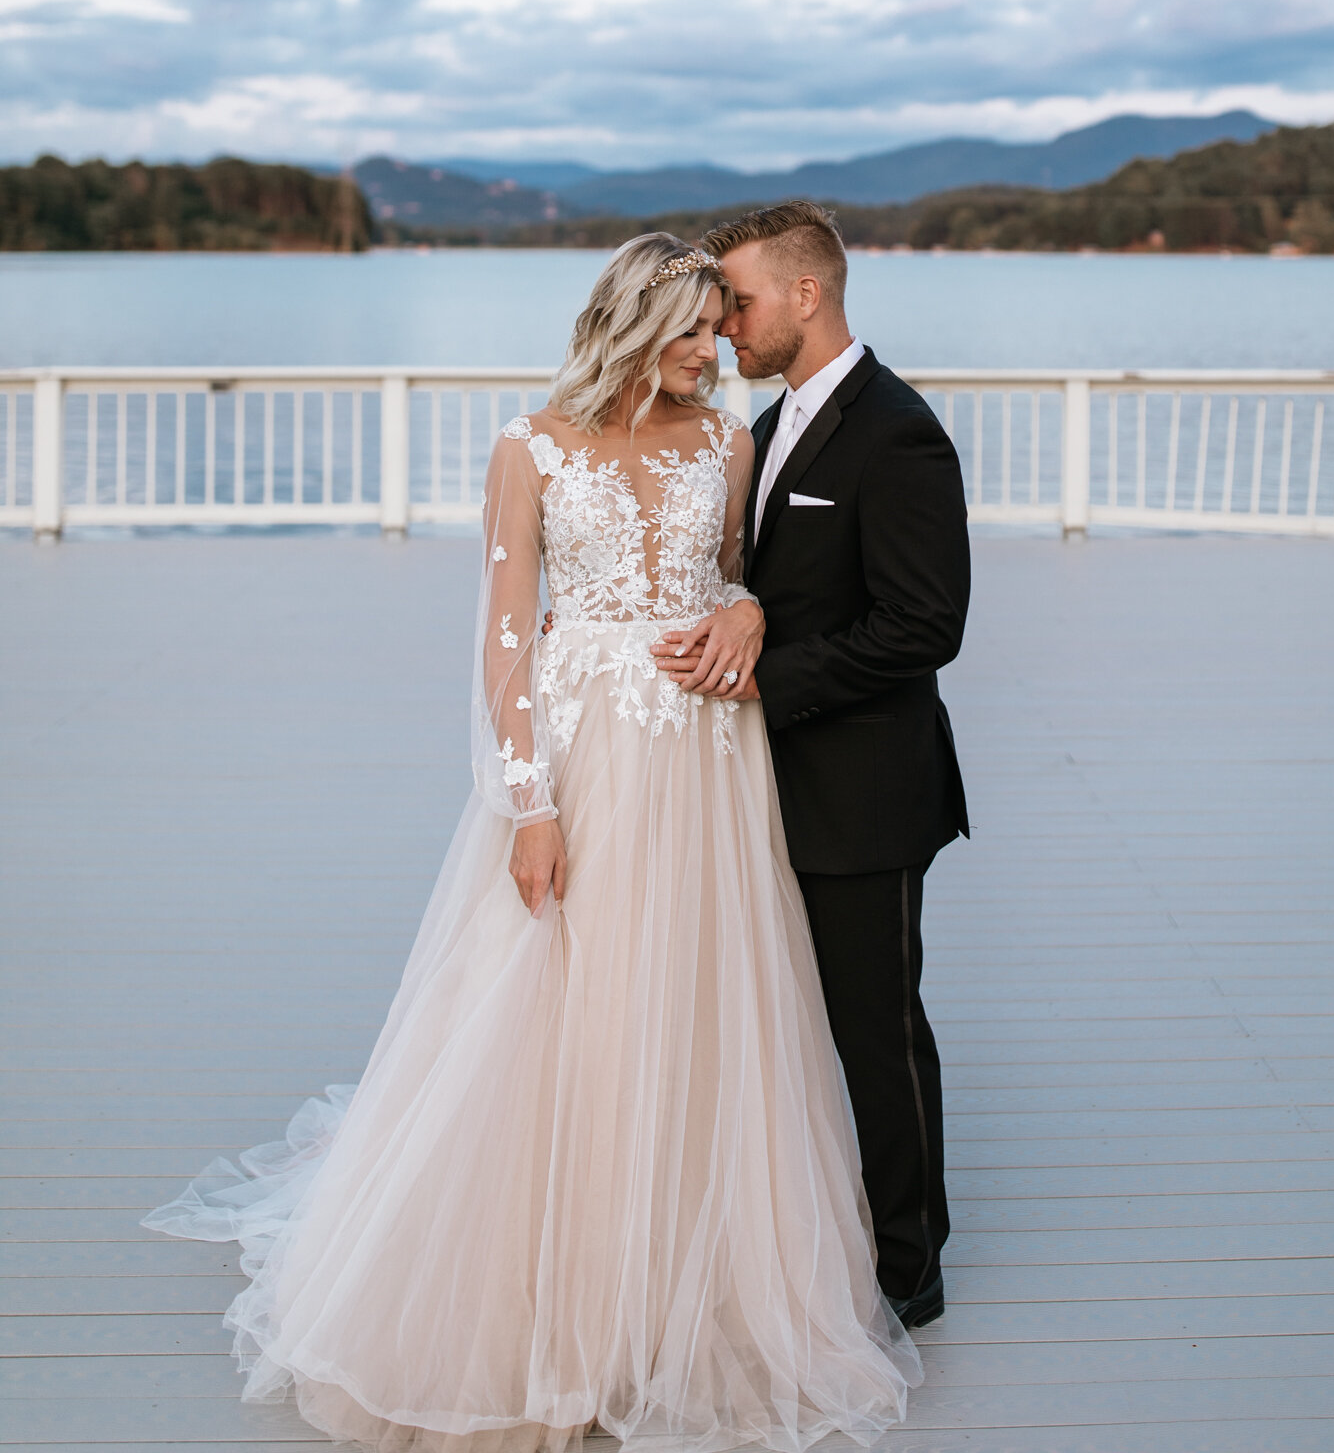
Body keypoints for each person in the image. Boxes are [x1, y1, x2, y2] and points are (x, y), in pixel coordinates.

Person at [144, 236, 919, 1453]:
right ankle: (557, 1299)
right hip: (588, 753)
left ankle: (684, 1288)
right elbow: (506, 643)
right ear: (631, 320)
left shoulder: (727, 442)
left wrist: (750, 604)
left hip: (711, 765)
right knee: (572, 999)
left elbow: (742, 577)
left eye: (721, 327)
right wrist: (531, 804)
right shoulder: (533, 448)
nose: (712, 349)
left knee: (702, 1005)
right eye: (689, 329)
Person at [652, 200, 970, 1329]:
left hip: (862, 793)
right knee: (774, 1017)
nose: (722, 322)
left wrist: (764, 672)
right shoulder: (772, 418)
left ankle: (908, 1271)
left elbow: (925, 626)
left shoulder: (896, 431)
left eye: (736, 300)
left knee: (874, 1033)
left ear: (805, 294)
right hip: (756, 786)